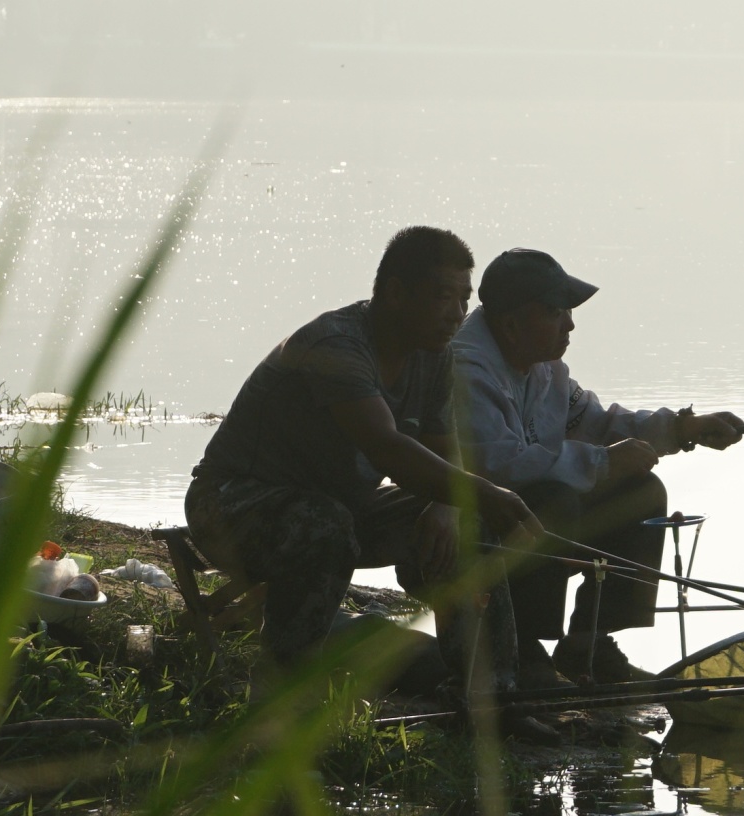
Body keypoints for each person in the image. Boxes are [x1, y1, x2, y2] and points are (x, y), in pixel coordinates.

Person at [184, 226, 550, 734]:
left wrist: (449, 507)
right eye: (444, 296)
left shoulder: (435, 355)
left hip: (341, 505)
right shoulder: (334, 345)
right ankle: (282, 706)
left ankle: (493, 703)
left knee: (469, 525)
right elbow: (387, 446)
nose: (456, 313)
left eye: (464, 299)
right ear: (395, 293)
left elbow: (446, 452)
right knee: (326, 525)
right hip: (229, 505)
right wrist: (486, 494)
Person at [450, 247, 744, 686]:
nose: (570, 324)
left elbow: (597, 422)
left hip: (521, 512)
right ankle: (525, 650)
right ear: (511, 324)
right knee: (551, 499)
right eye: (555, 312)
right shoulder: (467, 369)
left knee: (642, 492)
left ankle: (587, 643)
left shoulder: (544, 367)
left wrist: (684, 428)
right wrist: (603, 462)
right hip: (462, 525)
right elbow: (502, 466)